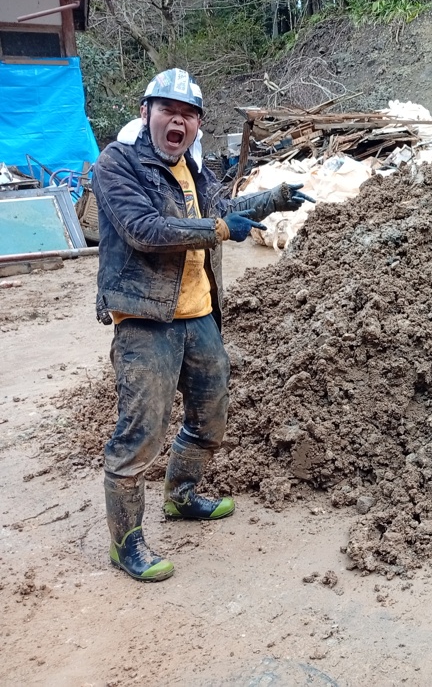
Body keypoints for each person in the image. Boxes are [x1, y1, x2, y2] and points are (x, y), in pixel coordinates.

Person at [91, 68, 314, 582]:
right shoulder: (118, 164)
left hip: (200, 315)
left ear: (197, 126)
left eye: (189, 115)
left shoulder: (195, 170)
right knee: (139, 435)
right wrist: (217, 229)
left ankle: (183, 496)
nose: (179, 122)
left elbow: (226, 211)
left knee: (210, 419)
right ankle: (126, 544)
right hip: (146, 319)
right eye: (169, 110)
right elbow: (142, 229)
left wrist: (273, 197)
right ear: (146, 112)